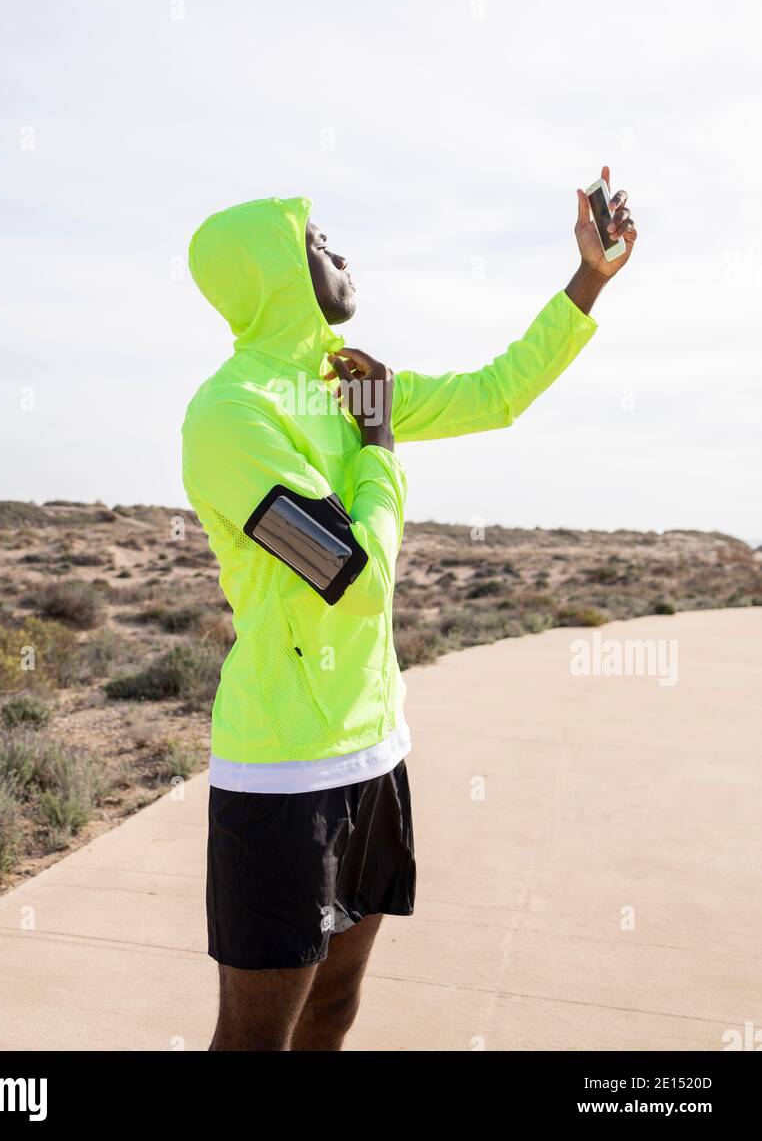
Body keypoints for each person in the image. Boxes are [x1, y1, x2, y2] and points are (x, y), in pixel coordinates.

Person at [181, 168, 636, 1051]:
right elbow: (350, 575)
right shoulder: (228, 417)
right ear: (275, 271)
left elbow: (494, 392)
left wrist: (589, 280)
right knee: (253, 1042)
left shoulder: (342, 381)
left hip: (374, 752)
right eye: (316, 243)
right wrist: (379, 442)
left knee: (336, 1010)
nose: (340, 252)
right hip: (284, 775)